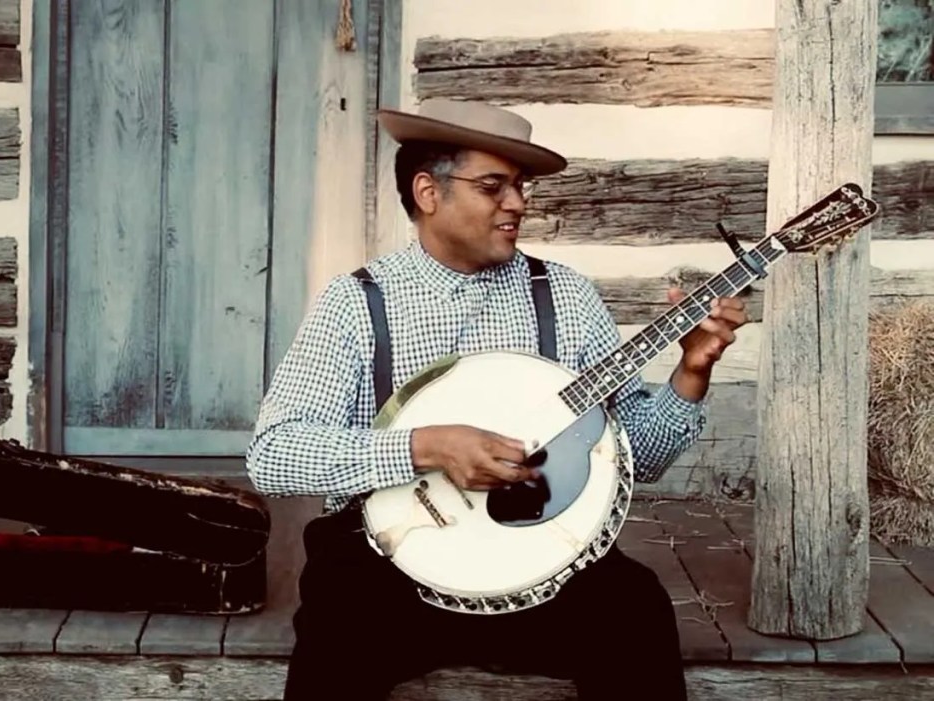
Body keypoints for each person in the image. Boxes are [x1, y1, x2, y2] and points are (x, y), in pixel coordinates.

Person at [246, 99, 748, 700]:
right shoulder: (356, 303)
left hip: (536, 566)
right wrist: (425, 446)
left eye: (520, 186)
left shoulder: (564, 295)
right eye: (493, 186)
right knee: (335, 644)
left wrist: (692, 371)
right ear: (428, 192)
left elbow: (637, 453)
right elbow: (274, 456)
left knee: (634, 608)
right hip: (387, 567)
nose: (517, 203)